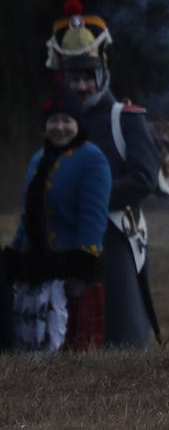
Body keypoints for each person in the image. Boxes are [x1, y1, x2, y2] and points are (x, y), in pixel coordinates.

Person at [44, 0, 165, 348]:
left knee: (122, 338)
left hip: (115, 237)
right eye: (73, 77)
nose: (81, 86)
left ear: (102, 74)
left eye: (87, 76)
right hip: (66, 238)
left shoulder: (125, 118)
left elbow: (144, 179)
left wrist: (91, 201)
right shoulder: (59, 124)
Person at [3, 96, 112, 352]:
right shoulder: (38, 158)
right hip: (36, 267)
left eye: (67, 120)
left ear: (78, 124)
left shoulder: (92, 159)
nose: (59, 126)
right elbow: (28, 213)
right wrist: (16, 251)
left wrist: (83, 264)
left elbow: (93, 217)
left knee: (70, 353)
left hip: (69, 270)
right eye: (54, 120)